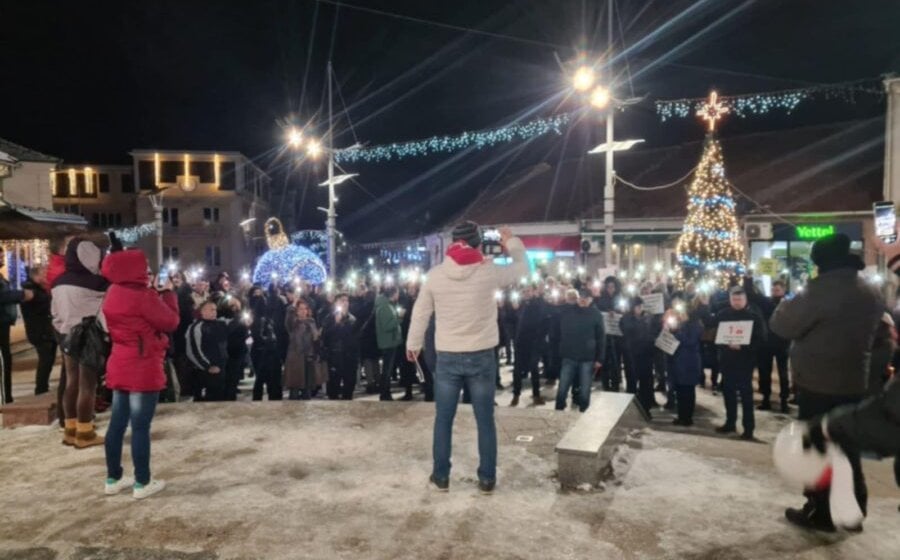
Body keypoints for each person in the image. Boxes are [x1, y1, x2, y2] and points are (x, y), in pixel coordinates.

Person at [770, 233, 882, 531]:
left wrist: (788, 299)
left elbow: (782, 325)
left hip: (819, 383)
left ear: (821, 262)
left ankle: (819, 512)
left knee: (819, 450)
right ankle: (853, 511)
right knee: (847, 448)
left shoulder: (819, 290)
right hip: (854, 381)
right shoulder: (867, 290)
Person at [406, 222, 528, 494]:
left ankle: (441, 476)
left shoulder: (436, 275)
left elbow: (420, 313)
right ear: (477, 244)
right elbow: (522, 270)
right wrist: (512, 243)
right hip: (481, 356)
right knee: (485, 419)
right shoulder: (488, 273)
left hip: (448, 356)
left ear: (451, 244)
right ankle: (487, 479)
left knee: (443, 419)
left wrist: (413, 345)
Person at [101, 247, 179, 500]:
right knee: (140, 427)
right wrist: (167, 294)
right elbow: (170, 322)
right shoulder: (143, 296)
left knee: (117, 424)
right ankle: (142, 482)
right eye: (143, 268)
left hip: (120, 362)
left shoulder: (113, 292)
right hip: (142, 366)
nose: (146, 272)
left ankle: (113, 477)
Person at [52, 238, 108, 448]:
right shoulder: (98, 283)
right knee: (88, 386)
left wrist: (63, 331)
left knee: (71, 383)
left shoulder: (57, 283)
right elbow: (105, 311)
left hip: (67, 335)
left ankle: (70, 429)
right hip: (89, 337)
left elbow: (55, 314)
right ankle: (85, 433)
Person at [714, 285, 766, 441]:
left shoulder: (754, 317)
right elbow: (716, 335)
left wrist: (744, 346)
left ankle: (748, 428)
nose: (736, 302)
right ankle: (730, 422)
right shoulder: (723, 314)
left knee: (746, 395)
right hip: (727, 360)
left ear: (745, 300)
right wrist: (723, 345)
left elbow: (761, 340)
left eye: (740, 299)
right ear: (730, 299)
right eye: (734, 299)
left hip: (745, 361)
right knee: (728, 392)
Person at [555, 288, 604, 412]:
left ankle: (584, 414)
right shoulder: (567, 311)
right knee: (562, 389)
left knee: (585, 391)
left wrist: (599, 358)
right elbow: (557, 323)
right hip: (569, 356)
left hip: (587, 358)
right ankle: (558, 412)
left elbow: (601, 337)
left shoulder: (596, 315)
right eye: (581, 297)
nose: (582, 300)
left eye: (585, 297)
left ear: (590, 300)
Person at [750, 279, 791, 412]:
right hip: (767, 343)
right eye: (774, 290)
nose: (775, 292)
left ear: (783, 291)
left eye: (778, 290)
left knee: (783, 373)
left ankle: (784, 400)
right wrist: (749, 279)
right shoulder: (767, 302)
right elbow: (753, 296)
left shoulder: (787, 304)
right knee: (764, 373)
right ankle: (766, 399)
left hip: (782, 343)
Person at [1, 255, 35, 404]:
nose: (2, 258)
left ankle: (6, 397)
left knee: (6, 360)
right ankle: (4, 399)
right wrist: (21, 294)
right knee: (3, 361)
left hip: (3, 322)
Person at [665, 302, 704, 426]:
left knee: (688, 391)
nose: (680, 315)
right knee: (680, 391)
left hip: (689, 363)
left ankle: (687, 417)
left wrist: (676, 333)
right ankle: (681, 415)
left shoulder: (695, 325)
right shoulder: (682, 324)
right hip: (678, 362)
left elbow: (690, 341)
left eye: (682, 313)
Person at [20, 265, 56, 396]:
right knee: (45, 360)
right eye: (44, 274)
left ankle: (43, 387)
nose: (46, 276)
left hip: (47, 330)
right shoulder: (30, 290)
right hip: (39, 331)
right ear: (36, 275)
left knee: (49, 359)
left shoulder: (41, 289)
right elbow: (39, 304)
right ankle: (40, 389)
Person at [511, 286, 548, 407]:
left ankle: (536, 395)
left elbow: (542, 320)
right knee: (517, 369)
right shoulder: (518, 305)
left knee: (534, 368)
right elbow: (510, 320)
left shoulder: (538, 304)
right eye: (524, 292)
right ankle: (516, 394)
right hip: (520, 342)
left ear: (533, 292)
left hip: (533, 342)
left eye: (528, 291)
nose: (526, 293)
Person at [185, 301, 229, 402]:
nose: (215, 312)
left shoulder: (219, 324)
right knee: (204, 403)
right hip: (204, 372)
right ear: (203, 311)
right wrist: (207, 366)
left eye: (215, 310)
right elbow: (192, 350)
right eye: (211, 310)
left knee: (219, 400)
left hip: (220, 368)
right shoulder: (196, 327)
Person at [619, 296, 656, 414]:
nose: (640, 309)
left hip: (646, 355)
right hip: (632, 356)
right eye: (638, 306)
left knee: (646, 382)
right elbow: (628, 331)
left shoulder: (647, 318)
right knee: (632, 383)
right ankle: (632, 408)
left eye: (641, 306)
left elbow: (652, 333)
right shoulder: (626, 319)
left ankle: (646, 407)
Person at [322, 294, 359, 400]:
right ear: (336, 303)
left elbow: (355, 338)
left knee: (349, 387)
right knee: (333, 389)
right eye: (342, 301)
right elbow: (325, 337)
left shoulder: (352, 319)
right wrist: (336, 324)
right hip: (334, 356)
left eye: (347, 300)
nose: (345, 303)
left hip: (349, 357)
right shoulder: (329, 318)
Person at [284, 299, 321, 400]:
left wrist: (317, 337)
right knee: (294, 390)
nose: (303, 311)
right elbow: (288, 320)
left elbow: (315, 338)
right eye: (300, 309)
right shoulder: (294, 323)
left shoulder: (311, 321)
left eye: (305, 309)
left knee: (307, 390)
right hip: (296, 358)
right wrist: (293, 305)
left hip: (308, 357)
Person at [171, 270, 196, 399]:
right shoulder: (184, 293)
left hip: (181, 332)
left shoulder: (181, 294)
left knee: (182, 361)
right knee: (183, 361)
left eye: (178, 277)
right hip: (182, 332)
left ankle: (185, 388)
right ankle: (186, 387)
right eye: (174, 277)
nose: (176, 280)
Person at [596, 276, 623, 391]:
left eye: (612, 287)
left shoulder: (620, 298)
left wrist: (616, 312)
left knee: (616, 360)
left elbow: (623, 313)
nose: (610, 289)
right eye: (608, 287)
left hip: (617, 335)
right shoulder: (601, 299)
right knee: (606, 360)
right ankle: (606, 383)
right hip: (605, 335)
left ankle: (616, 383)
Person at [375, 286, 402, 401]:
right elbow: (386, 326)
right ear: (393, 294)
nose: (398, 296)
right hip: (388, 342)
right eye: (397, 293)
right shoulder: (385, 307)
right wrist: (399, 318)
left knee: (388, 369)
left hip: (390, 341)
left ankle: (386, 391)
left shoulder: (388, 305)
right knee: (387, 370)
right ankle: (384, 393)